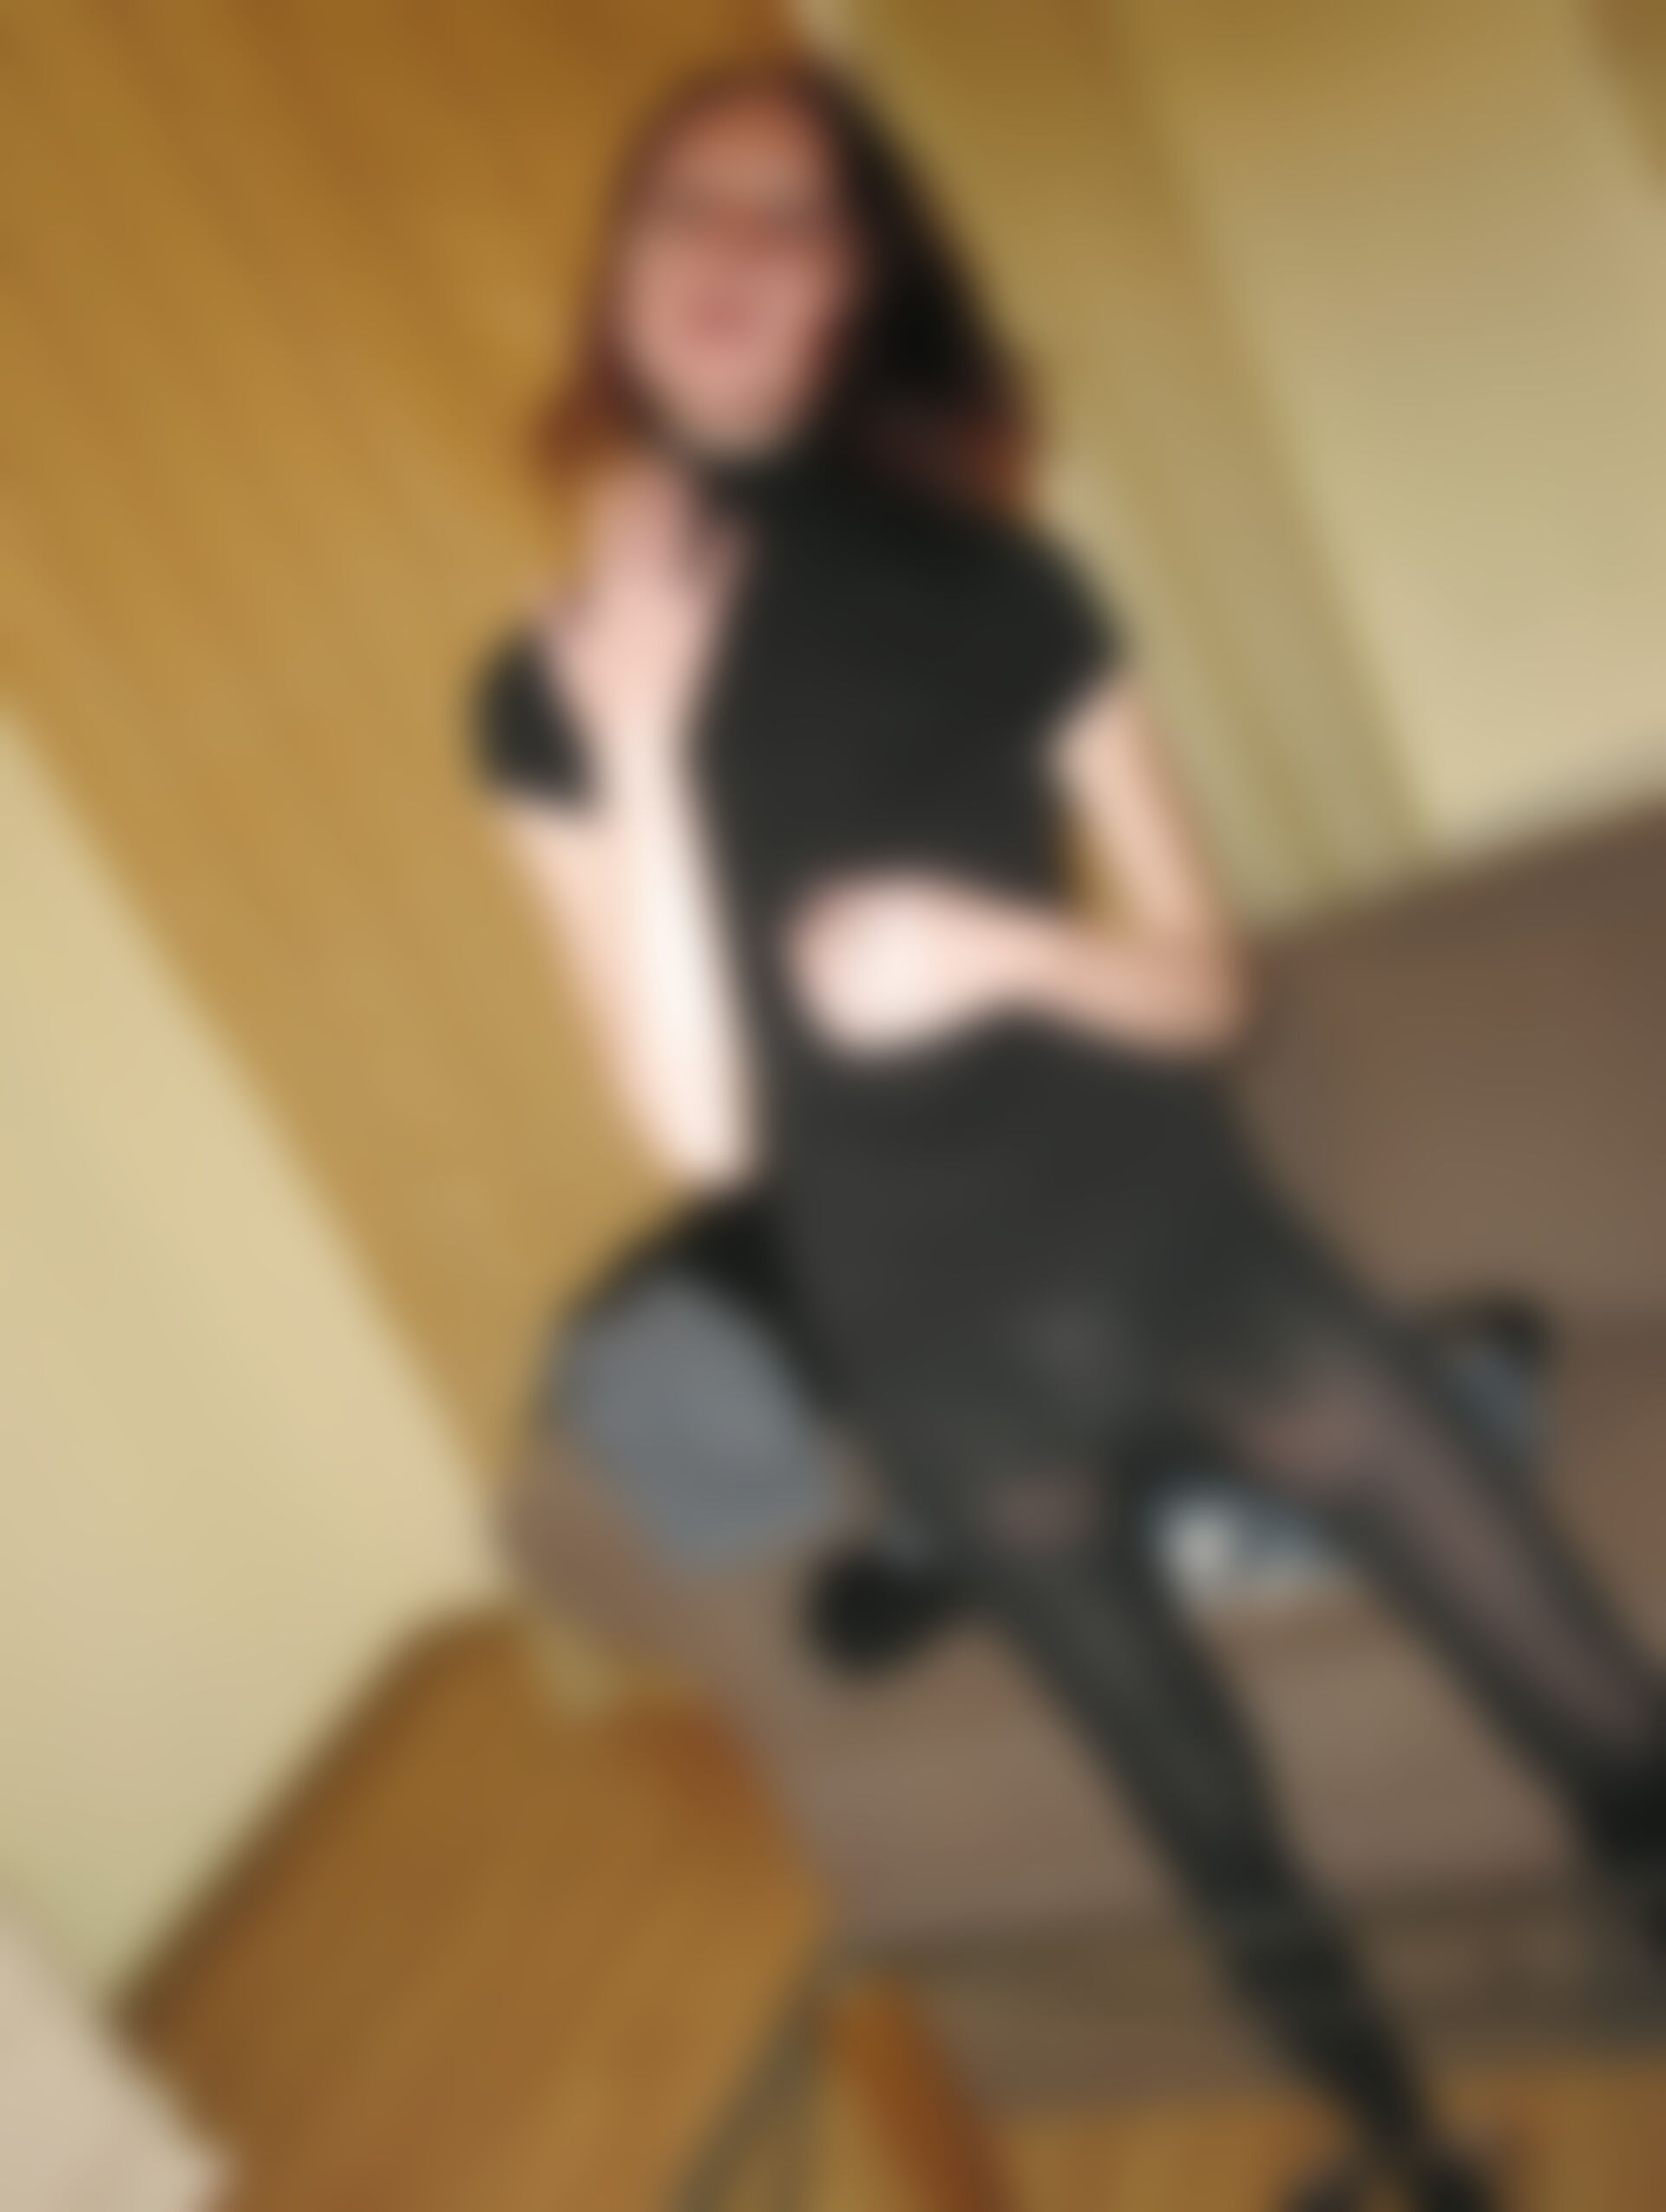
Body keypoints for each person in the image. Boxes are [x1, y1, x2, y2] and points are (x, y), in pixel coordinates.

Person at [473, 61, 1666, 2211]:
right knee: (1215, 1836)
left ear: (859, 286)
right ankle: (1408, 2163)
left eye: (790, 213)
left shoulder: (1000, 583)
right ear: (620, 271)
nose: (729, 245)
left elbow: (1216, 988)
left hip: (1195, 1255)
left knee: (1603, 1710)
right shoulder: (545, 698)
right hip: (945, 1359)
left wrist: (1003, 949)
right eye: (684, 202)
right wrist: (641, 736)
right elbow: (708, 1126)